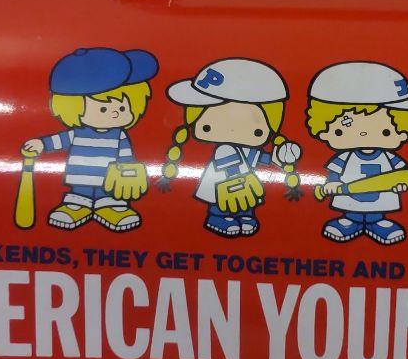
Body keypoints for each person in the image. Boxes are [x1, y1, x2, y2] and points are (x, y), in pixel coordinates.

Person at [21, 47, 156, 232]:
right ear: (75, 108)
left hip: (109, 181)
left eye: (123, 108)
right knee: (79, 195)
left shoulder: (120, 136)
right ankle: (77, 207)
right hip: (80, 178)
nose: (116, 113)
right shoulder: (77, 133)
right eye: (103, 109)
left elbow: (126, 158)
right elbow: (60, 140)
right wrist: (41, 144)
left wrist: (128, 173)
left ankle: (110, 207)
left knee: (109, 197)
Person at [162, 58, 302, 237]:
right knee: (223, 200)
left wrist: (279, 157)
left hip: (242, 184)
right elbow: (231, 171)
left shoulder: (248, 150)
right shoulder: (224, 150)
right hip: (222, 182)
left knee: (244, 201)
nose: (232, 129)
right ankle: (217, 217)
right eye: (208, 125)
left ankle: (244, 215)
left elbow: (260, 158)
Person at [306, 61, 408, 245]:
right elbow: (333, 173)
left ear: (403, 130)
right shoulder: (344, 158)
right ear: (325, 129)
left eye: (385, 131)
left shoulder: (390, 159)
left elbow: (402, 175)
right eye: (342, 130)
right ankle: (350, 221)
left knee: (378, 213)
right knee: (350, 214)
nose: (364, 135)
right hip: (348, 197)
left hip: (381, 200)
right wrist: (333, 182)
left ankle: (376, 223)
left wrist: (399, 184)